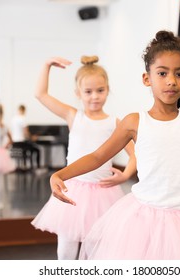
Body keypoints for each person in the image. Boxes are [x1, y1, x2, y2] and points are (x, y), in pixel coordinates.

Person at [48, 5, 180, 259]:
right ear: (147, 78)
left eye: (179, 74)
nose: (171, 81)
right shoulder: (135, 122)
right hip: (146, 220)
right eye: (162, 73)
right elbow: (99, 156)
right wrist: (61, 174)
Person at [31, 55, 136, 259]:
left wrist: (125, 175)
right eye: (88, 92)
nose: (95, 96)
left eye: (100, 90)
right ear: (78, 93)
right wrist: (46, 65)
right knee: (66, 250)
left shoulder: (115, 123)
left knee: (96, 247)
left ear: (108, 89)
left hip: (103, 192)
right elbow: (40, 94)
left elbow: (135, 154)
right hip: (74, 189)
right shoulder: (73, 116)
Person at [11, 104, 41, 170]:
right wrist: (32, 138)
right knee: (37, 150)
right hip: (21, 142)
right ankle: (35, 167)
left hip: (14, 143)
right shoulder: (23, 118)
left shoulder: (13, 119)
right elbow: (26, 133)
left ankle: (24, 165)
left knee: (29, 148)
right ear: (24, 110)